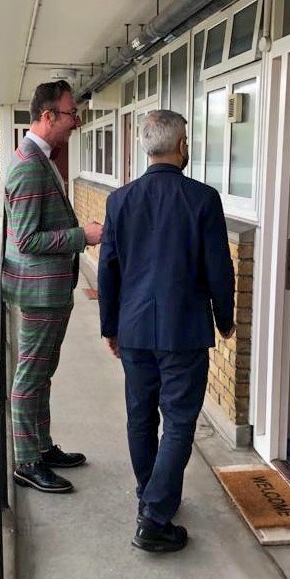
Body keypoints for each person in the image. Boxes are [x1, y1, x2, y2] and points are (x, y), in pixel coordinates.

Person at [98, 110, 235, 552]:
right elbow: (219, 267)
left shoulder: (120, 200)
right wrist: (226, 317)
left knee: (141, 415)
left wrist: (110, 325)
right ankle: (155, 518)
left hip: (135, 329)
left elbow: (109, 269)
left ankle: (149, 496)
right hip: (184, 330)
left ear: (147, 146)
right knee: (177, 420)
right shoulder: (202, 198)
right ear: (181, 146)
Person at [3, 80, 102, 493]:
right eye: (70, 114)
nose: (76, 122)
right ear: (47, 116)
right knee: (30, 378)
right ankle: (27, 462)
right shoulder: (28, 165)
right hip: (39, 292)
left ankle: (41, 447)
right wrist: (84, 236)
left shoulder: (40, 159)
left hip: (50, 290)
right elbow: (26, 239)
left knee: (43, 375)